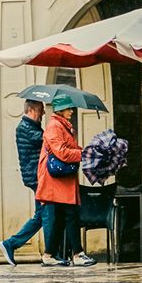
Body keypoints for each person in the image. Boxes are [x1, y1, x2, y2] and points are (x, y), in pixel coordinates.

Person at [37, 93, 91, 267]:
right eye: (68, 108)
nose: (71, 111)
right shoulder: (54, 127)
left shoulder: (63, 126)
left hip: (62, 179)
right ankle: (78, 253)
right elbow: (61, 152)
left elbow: (69, 148)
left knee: (60, 218)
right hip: (57, 180)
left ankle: (49, 254)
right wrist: (82, 154)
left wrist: (86, 151)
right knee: (71, 214)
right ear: (60, 110)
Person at [0, 99, 47, 266]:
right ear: (32, 110)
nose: (43, 113)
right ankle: (11, 243)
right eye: (41, 109)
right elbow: (46, 140)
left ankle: (12, 244)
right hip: (37, 177)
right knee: (43, 215)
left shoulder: (31, 126)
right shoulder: (25, 128)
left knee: (44, 215)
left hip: (37, 176)